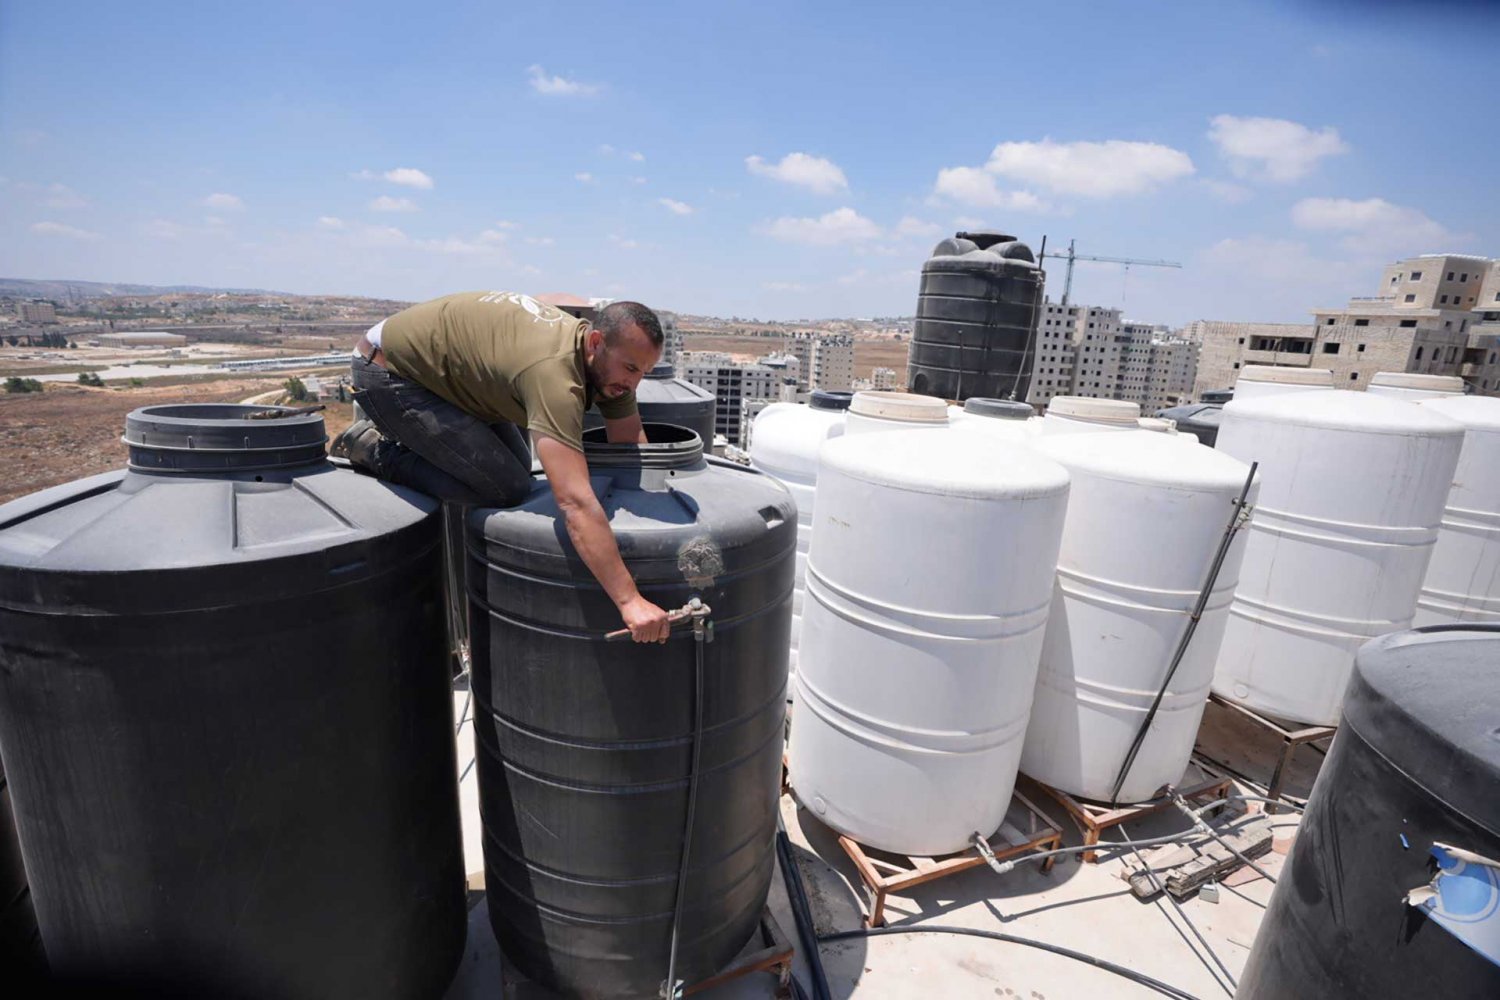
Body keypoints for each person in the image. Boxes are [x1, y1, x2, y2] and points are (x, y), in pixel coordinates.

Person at [333, 291, 672, 643]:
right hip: (391, 371)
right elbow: (574, 502)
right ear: (597, 342)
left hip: (454, 378)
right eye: (631, 368)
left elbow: (629, 443)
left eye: (643, 373)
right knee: (503, 487)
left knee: (517, 468)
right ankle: (374, 449)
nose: (633, 383)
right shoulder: (555, 376)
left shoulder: (605, 362)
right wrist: (629, 599)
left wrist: (644, 511)